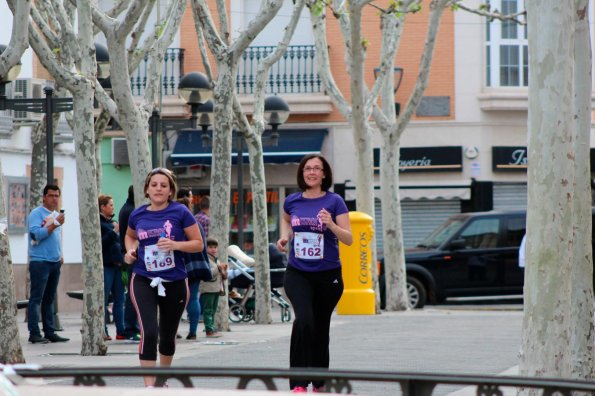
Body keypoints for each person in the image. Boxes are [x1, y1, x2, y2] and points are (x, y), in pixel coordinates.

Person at [276, 154, 352, 393]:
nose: (311, 172)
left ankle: (319, 381)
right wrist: (284, 236)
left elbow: (348, 239)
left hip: (328, 276)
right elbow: (286, 220)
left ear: (324, 174)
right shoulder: (292, 201)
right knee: (304, 321)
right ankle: (298, 382)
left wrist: (330, 224)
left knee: (320, 326)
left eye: (316, 169)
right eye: (307, 168)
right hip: (298, 272)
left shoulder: (335, 201)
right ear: (302, 173)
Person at [123, 168, 204, 387]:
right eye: (154, 184)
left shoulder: (181, 212)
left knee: (167, 336)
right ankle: (149, 387)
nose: (158, 188)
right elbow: (130, 236)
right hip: (143, 278)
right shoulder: (138, 214)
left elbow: (198, 243)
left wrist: (176, 245)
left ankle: (161, 381)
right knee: (149, 331)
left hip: (175, 281)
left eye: (164, 185)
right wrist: (130, 251)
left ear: (170, 191)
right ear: (147, 189)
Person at [27, 184, 70, 344]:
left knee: (49, 298)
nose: (54, 199)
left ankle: (50, 331)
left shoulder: (56, 215)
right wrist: (55, 224)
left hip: (54, 261)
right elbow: (36, 234)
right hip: (39, 261)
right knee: (36, 298)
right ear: (44, 197)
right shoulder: (36, 214)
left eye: (56, 196)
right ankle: (34, 332)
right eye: (51, 195)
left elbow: (56, 237)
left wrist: (60, 254)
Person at [176, 193, 207, 340]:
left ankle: (173, 330)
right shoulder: (197, 223)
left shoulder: (178, 223)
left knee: (175, 299)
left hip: (181, 266)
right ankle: (193, 331)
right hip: (198, 265)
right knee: (193, 297)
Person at [99, 194, 126, 341]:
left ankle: (121, 330)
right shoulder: (99, 222)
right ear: (102, 207)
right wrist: (114, 231)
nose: (113, 207)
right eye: (110, 205)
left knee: (119, 300)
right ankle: (103, 330)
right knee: (103, 300)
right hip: (106, 265)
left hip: (117, 265)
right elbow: (101, 242)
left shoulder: (113, 222)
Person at [118, 185, 140, 341]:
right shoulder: (132, 211)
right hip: (133, 256)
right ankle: (131, 328)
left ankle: (132, 327)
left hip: (131, 255)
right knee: (134, 294)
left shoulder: (128, 208)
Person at [200, 236, 228, 338]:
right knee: (208, 310)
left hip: (216, 289)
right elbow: (208, 274)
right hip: (208, 289)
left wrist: (224, 271)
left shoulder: (216, 260)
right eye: (210, 247)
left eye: (215, 247)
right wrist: (218, 268)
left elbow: (222, 276)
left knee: (213, 310)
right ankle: (209, 330)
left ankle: (211, 327)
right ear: (205, 248)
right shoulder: (205, 260)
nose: (213, 249)